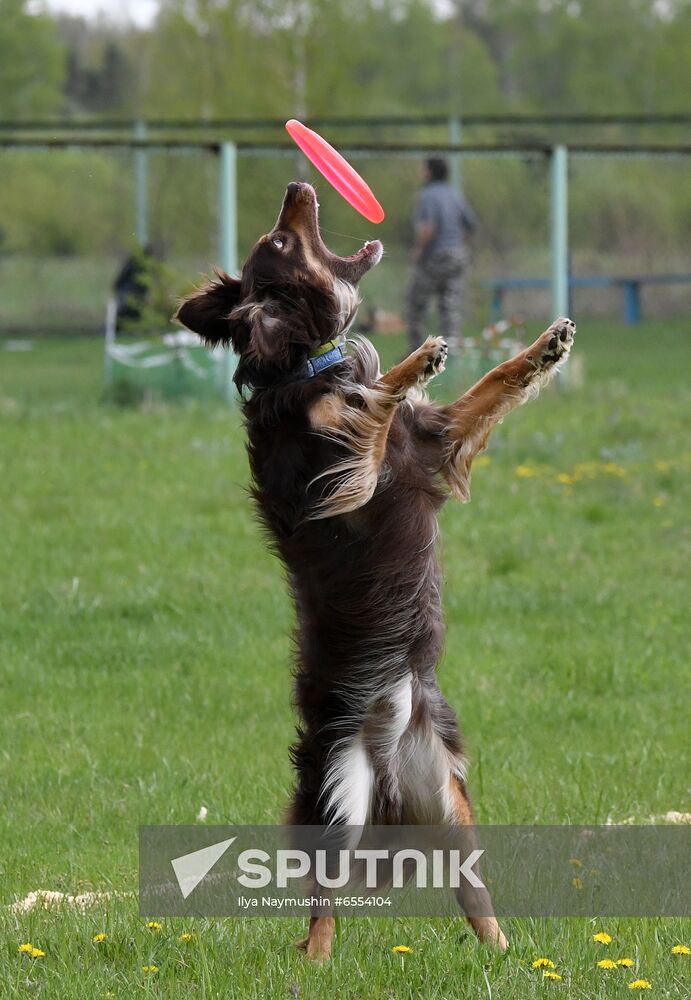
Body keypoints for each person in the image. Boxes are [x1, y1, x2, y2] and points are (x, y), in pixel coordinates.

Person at [406, 157, 477, 351]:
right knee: (449, 308)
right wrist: (458, 244)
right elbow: (470, 224)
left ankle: (416, 353)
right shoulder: (455, 194)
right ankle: (449, 354)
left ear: (429, 172)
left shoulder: (427, 195)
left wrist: (418, 252)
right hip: (457, 256)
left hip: (435, 257)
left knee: (416, 306)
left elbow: (428, 228)